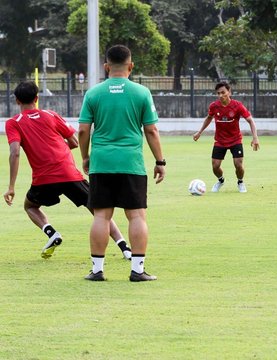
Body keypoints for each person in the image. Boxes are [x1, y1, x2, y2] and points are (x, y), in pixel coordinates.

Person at [3, 81, 131, 260]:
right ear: (37, 98)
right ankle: (125, 248)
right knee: (98, 211)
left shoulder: (13, 123)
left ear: (16, 101)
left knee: (30, 206)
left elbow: (15, 153)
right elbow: (74, 142)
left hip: (43, 179)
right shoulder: (51, 115)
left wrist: (11, 186)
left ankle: (51, 233)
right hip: (69, 173)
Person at [78, 44, 166, 282]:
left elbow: (84, 130)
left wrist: (86, 157)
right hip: (131, 163)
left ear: (106, 67)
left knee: (101, 216)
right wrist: (160, 161)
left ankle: (97, 270)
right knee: (136, 216)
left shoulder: (94, 94)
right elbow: (152, 130)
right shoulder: (141, 93)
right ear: (131, 66)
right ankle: (137, 270)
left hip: (102, 162)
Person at [193, 81, 259, 193]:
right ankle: (221, 180)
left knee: (238, 164)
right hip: (220, 141)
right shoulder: (214, 106)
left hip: (235, 140)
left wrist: (255, 137)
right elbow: (208, 118)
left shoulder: (237, 106)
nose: (220, 95)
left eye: (223, 92)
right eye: (218, 93)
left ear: (229, 92)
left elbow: (250, 120)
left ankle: (240, 182)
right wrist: (199, 132)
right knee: (215, 166)